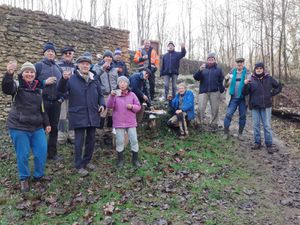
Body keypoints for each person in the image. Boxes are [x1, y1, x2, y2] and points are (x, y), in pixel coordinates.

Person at [2, 61, 51, 192]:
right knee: (22, 154)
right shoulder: (17, 85)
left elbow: (42, 108)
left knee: (41, 151)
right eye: (27, 71)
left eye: (32, 72)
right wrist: (9, 73)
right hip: (19, 126)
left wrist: (46, 123)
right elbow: (7, 88)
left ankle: (38, 176)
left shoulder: (38, 88)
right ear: (22, 73)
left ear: (35, 74)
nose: (29, 74)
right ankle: (24, 178)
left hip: (36, 127)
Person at [58, 54, 105, 176]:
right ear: (78, 65)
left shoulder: (94, 79)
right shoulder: (71, 79)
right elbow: (60, 90)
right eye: (83, 63)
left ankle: (87, 161)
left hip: (93, 113)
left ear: (90, 66)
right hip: (78, 114)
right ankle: (78, 165)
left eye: (87, 64)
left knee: (91, 140)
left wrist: (102, 104)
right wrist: (63, 79)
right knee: (79, 141)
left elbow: (100, 94)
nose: (85, 65)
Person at [242, 62, 282, 154]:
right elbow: (245, 93)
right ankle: (257, 143)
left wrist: (271, 94)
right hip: (255, 106)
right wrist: (245, 84)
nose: (259, 70)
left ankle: (269, 145)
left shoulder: (269, 78)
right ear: (255, 70)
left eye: (260, 68)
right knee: (256, 125)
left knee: (266, 126)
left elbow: (278, 86)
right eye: (257, 68)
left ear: (263, 69)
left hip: (266, 106)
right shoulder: (250, 79)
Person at [35, 42, 63, 161]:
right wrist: (44, 82)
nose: (51, 53)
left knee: (54, 128)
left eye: (52, 51)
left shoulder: (58, 68)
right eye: (48, 51)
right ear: (44, 53)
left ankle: (52, 153)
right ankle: (40, 153)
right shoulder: (38, 66)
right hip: (43, 102)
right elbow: (31, 82)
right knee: (41, 127)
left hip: (56, 102)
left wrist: (62, 98)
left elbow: (63, 85)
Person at [107, 76, 141, 167]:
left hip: (131, 122)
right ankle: (120, 160)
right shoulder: (115, 94)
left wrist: (132, 107)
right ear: (118, 84)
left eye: (124, 82)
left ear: (127, 84)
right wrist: (111, 96)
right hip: (119, 123)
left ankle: (135, 160)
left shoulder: (132, 94)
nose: (122, 84)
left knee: (134, 140)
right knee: (120, 141)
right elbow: (109, 106)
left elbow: (138, 107)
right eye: (120, 82)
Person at [92, 50, 118, 145]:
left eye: (110, 57)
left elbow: (117, 82)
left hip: (113, 96)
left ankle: (108, 136)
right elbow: (93, 78)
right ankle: (98, 138)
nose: (109, 58)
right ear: (103, 58)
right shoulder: (97, 67)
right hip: (103, 95)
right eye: (107, 56)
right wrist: (102, 68)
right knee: (101, 116)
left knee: (111, 117)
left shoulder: (114, 70)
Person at [193, 53, 225, 131]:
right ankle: (199, 123)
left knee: (215, 109)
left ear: (214, 60)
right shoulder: (203, 68)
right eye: (209, 59)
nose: (210, 60)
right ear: (207, 60)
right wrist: (199, 70)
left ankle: (214, 124)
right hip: (203, 91)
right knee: (200, 108)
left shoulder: (218, 69)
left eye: (212, 59)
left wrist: (221, 89)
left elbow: (221, 80)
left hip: (214, 92)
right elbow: (196, 77)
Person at [223, 57, 250, 140]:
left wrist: (247, 83)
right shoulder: (231, 73)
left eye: (241, 62)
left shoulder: (248, 74)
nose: (239, 64)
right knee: (228, 115)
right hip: (233, 98)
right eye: (238, 62)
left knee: (242, 116)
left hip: (243, 99)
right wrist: (226, 80)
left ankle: (240, 134)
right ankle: (226, 133)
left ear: (243, 63)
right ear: (236, 64)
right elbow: (225, 85)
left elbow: (251, 86)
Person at [57, 46, 76, 144]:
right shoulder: (57, 65)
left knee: (72, 116)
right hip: (62, 96)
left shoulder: (76, 66)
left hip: (74, 95)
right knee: (62, 117)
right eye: (66, 53)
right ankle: (62, 138)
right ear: (63, 54)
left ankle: (72, 136)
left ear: (73, 54)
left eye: (70, 53)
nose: (68, 55)